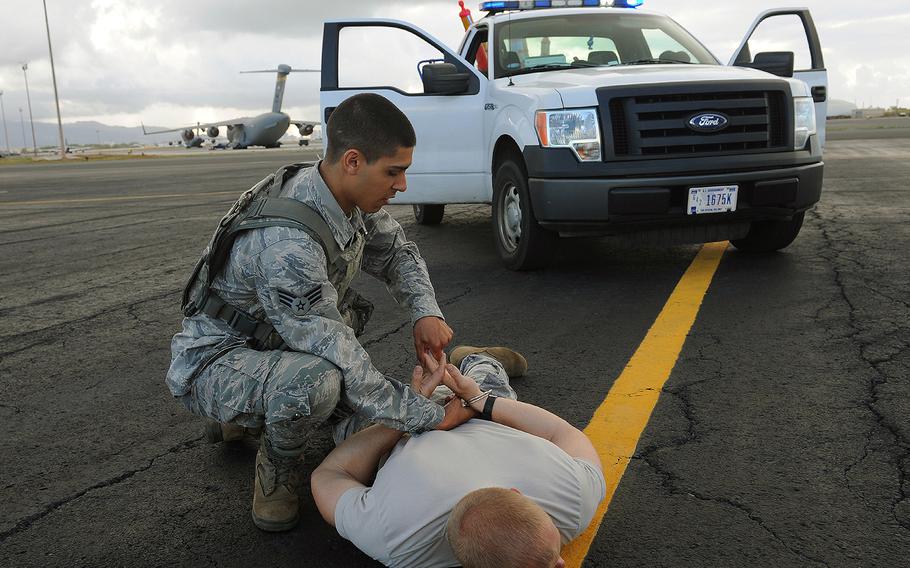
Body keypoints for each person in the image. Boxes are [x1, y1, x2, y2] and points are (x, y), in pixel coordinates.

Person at [165, 93, 464, 532]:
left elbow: (397, 252)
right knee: (316, 383)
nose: (402, 186)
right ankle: (276, 468)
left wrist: (426, 313)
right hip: (215, 358)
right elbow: (337, 349)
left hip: (272, 339)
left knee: (349, 344)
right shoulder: (288, 245)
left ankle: (244, 415)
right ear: (353, 162)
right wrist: (427, 416)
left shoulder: (338, 194)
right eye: (394, 172)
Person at [311, 346, 606, 568]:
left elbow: (330, 473)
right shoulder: (573, 495)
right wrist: (480, 400)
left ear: (515, 492)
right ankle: (478, 359)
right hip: (472, 412)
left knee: (344, 422)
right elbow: (564, 433)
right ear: (516, 492)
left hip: (405, 432)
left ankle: (456, 379)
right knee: (488, 385)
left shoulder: (395, 536)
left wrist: (406, 415)